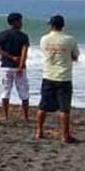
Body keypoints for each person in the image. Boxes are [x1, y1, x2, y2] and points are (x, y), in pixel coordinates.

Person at [35, 14, 80, 144]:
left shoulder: (44, 39)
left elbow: (45, 53)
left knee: (43, 106)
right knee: (64, 109)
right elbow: (75, 56)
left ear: (51, 25)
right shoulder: (70, 39)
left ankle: (39, 131)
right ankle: (65, 136)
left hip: (48, 75)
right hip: (64, 77)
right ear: (63, 25)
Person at [0, 12, 31, 122]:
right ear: (15, 22)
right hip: (19, 67)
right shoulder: (23, 36)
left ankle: (6, 116)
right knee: (24, 92)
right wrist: (20, 66)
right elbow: (24, 53)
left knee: (5, 92)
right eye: (20, 21)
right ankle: (25, 116)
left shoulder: (1, 35)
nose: (21, 23)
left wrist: (10, 57)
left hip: (5, 67)